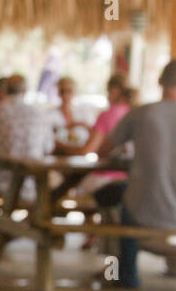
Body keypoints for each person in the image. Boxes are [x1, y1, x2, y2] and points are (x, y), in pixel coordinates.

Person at [97, 59, 176, 289]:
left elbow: (103, 150)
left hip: (141, 211)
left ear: (159, 81)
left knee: (109, 196)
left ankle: (126, 271)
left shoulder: (140, 114)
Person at [0, 74, 55, 202]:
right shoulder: (39, 114)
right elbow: (49, 147)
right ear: (25, 91)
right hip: (31, 186)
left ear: (3, 90)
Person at [55, 72, 136, 204]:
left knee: (67, 187)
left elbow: (86, 151)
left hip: (107, 180)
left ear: (115, 91)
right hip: (129, 179)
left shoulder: (108, 114)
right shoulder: (133, 113)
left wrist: (59, 146)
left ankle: (47, 211)